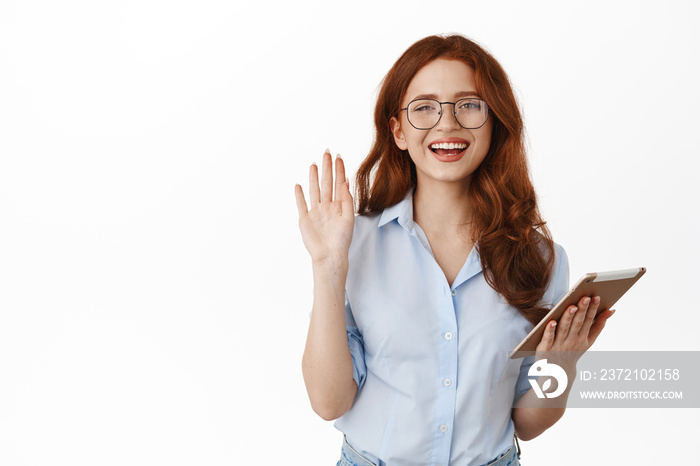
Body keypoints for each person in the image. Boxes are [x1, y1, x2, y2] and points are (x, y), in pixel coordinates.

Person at [294, 34, 615, 466]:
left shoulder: (540, 258)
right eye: (424, 107)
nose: (447, 125)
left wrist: (561, 364)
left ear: (493, 122)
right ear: (399, 131)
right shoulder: (355, 245)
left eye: (468, 105)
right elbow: (328, 403)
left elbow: (528, 424)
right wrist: (328, 267)